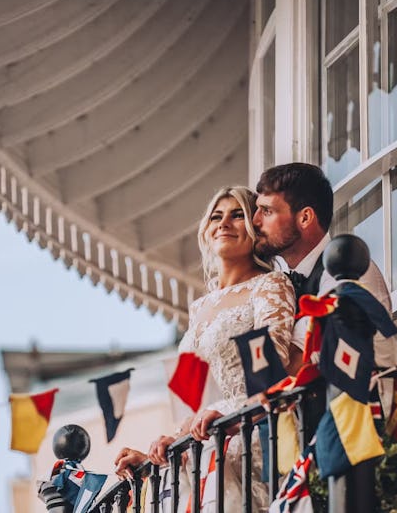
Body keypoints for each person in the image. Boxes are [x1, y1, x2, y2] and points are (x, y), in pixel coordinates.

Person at [115, 186, 300, 512]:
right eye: (217, 216)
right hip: (208, 446)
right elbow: (193, 399)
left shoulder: (270, 285)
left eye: (237, 215)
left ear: (255, 228)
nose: (224, 223)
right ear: (206, 229)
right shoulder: (199, 308)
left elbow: (276, 371)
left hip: (255, 436)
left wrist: (230, 413)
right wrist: (170, 446)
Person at [252, 162, 396, 424]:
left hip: (357, 434)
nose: (255, 221)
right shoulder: (276, 285)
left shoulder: (348, 270)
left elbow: (295, 363)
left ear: (305, 218)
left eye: (267, 211)